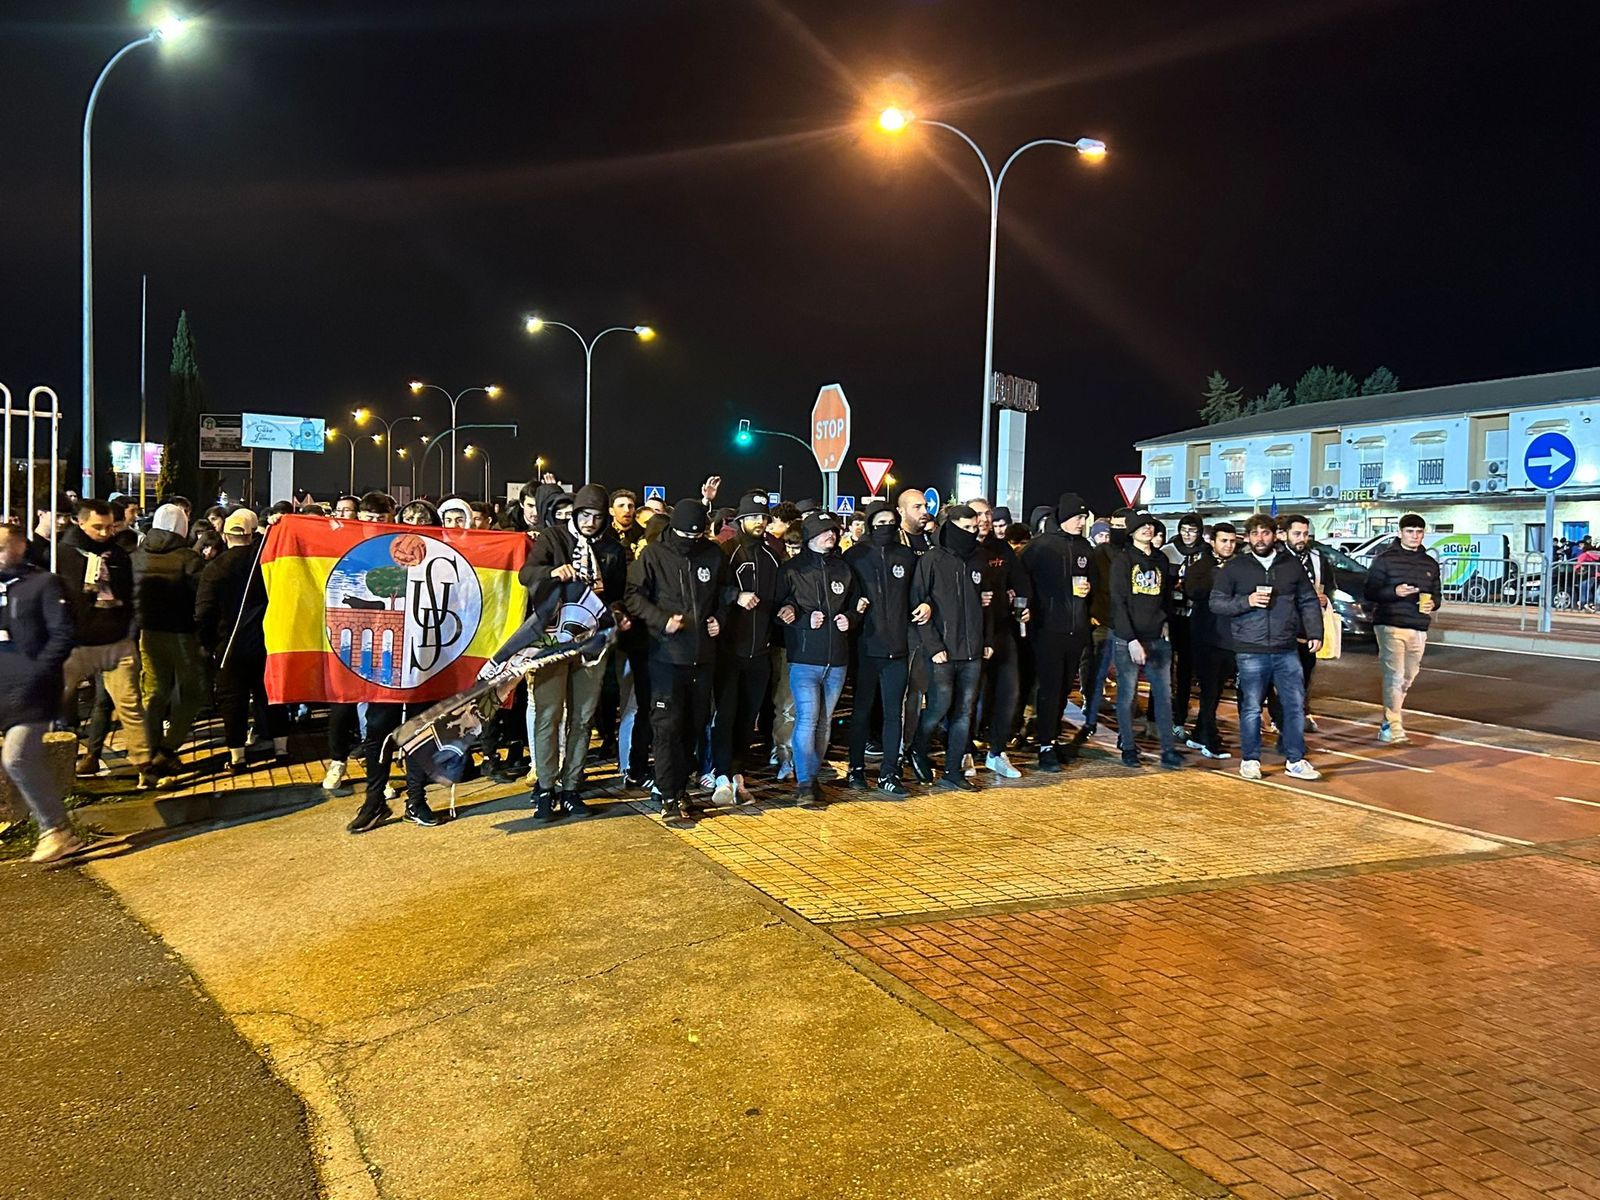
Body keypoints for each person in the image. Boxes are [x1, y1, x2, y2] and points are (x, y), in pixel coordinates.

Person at [519, 483, 628, 819]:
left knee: (582, 717)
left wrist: (619, 612)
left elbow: (621, 593)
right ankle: (545, 787)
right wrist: (553, 571)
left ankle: (571, 786)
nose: (590, 521)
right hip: (553, 638)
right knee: (549, 715)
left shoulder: (612, 548)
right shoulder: (554, 538)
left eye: (597, 516)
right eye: (585, 514)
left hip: (592, 640)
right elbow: (526, 574)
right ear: (576, 513)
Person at [624, 499, 731, 825]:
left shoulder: (713, 555)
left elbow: (724, 591)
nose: (690, 539)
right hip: (665, 656)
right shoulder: (654, 555)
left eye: (697, 535)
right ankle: (668, 795)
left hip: (702, 658)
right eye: (685, 533)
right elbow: (632, 595)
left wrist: (719, 618)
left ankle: (678, 786)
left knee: (693, 726)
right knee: (666, 727)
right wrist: (659, 619)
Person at [1210, 514, 1323, 781]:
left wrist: (1315, 632)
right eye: (1255, 534)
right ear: (1247, 538)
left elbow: (1308, 600)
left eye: (1265, 533)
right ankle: (1250, 759)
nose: (1260, 538)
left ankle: (1295, 759)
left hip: (1286, 648)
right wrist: (1247, 601)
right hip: (1251, 648)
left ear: (1275, 535)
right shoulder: (1236, 567)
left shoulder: (1291, 565)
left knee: (1294, 705)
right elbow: (1216, 603)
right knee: (1251, 707)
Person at [56, 499, 153, 783]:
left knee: (129, 702)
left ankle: (144, 764)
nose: (104, 532)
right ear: (80, 522)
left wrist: (129, 628)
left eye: (109, 527)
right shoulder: (64, 554)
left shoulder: (118, 555)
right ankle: (50, 761)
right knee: (54, 699)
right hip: (78, 642)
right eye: (98, 527)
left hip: (115, 638)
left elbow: (132, 594)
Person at [0, 522, 82, 862]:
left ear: (19, 546)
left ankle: (56, 830)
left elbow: (62, 633)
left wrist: (38, 672)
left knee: (17, 756)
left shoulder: (42, 584)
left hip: (31, 693)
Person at [774, 511, 858, 806]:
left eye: (834, 531)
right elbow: (780, 609)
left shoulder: (844, 569)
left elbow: (856, 604)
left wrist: (850, 617)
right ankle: (805, 783)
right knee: (807, 719)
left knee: (824, 722)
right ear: (810, 535)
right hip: (805, 657)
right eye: (824, 531)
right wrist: (800, 618)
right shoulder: (791, 570)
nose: (831, 536)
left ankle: (812, 775)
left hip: (837, 659)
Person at [907, 505, 991, 792]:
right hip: (943, 649)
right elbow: (918, 604)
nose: (972, 533)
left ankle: (953, 769)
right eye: (966, 528)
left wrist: (987, 640)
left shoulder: (980, 559)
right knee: (939, 707)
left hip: (973, 650)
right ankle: (917, 747)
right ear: (951, 527)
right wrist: (933, 645)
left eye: (974, 528)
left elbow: (987, 604)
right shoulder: (932, 560)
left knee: (965, 712)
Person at [196, 508, 288, 770]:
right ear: (251, 535)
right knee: (271, 695)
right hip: (268, 640)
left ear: (225, 536)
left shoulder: (215, 568)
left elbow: (203, 611)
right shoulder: (267, 564)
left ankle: (238, 757)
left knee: (232, 700)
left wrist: (207, 643)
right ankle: (281, 748)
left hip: (229, 646)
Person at [711, 493, 782, 805]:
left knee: (747, 718)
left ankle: (739, 774)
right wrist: (734, 596)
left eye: (763, 517)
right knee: (725, 715)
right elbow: (710, 590)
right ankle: (721, 774)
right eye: (754, 517)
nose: (760, 522)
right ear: (740, 520)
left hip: (760, 653)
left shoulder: (772, 556)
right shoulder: (726, 552)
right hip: (728, 652)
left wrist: (788, 608)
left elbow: (782, 594)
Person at [1019, 491, 1095, 772]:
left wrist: (1088, 600)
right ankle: (1045, 745)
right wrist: (1029, 608)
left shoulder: (1085, 547)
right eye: (1077, 517)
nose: (1081, 522)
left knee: (1064, 688)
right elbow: (1020, 581)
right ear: (1063, 518)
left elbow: (1093, 583)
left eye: (1083, 518)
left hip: (1076, 629)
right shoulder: (1040, 546)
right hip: (1048, 629)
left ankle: (1051, 737)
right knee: (1049, 688)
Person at [131, 503, 207, 783]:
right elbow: (202, 598)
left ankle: (151, 752)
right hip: (182, 634)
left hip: (147, 634)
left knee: (153, 692)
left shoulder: (137, 556)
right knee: (193, 693)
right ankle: (168, 748)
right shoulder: (189, 558)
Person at [844, 501, 916, 795]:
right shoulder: (855, 556)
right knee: (860, 712)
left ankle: (889, 772)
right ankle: (856, 768)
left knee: (892, 714)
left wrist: (923, 605)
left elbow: (918, 593)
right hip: (865, 647)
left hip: (898, 648)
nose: (885, 526)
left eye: (891, 520)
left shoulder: (907, 556)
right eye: (880, 520)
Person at [1108, 512, 1184, 770]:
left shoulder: (1161, 559)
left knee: (1163, 695)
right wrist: (1130, 639)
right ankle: (1128, 746)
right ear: (1131, 531)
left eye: (1150, 526)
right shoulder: (1123, 560)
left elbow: (1164, 597)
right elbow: (1118, 602)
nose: (1147, 529)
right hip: (1129, 638)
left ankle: (1168, 748)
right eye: (1141, 526)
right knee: (1127, 695)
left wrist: (1165, 624)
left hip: (1157, 636)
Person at [1363, 512, 1441, 745]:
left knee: (1408, 676)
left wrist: (1433, 603)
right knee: (1394, 675)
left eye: (1419, 532)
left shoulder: (1429, 563)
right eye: (1410, 531)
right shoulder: (1385, 559)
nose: (1414, 536)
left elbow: (1437, 593)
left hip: (1418, 624)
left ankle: (1391, 717)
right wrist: (1394, 592)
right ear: (1400, 533)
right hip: (1390, 623)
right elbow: (1369, 591)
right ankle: (1392, 724)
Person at [968, 498, 1028, 779]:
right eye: (978, 513)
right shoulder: (959, 547)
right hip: (970, 633)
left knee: (1009, 690)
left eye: (987, 513)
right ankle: (964, 751)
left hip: (1003, 629)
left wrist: (1023, 603)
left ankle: (997, 751)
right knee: (969, 696)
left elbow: (1020, 581)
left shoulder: (1002, 548)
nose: (984, 518)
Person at [1183, 522, 1237, 760]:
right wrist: (1218, 575)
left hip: (1230, 636)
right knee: (1208, 688)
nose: (1228, 545)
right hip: (1206, 635)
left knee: (1216, 690)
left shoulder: (1238, 565)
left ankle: (1198, 733)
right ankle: (1209, 738)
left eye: (1232, 541)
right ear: (1213, 541)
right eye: (1224, 540)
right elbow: (1192, 591)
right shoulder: (1201, 566)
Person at [1279, 514, 1337, 733]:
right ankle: (1282, 715)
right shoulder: (1277, 557)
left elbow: (1329, 585)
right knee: (1283, 673)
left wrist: (1325, 597)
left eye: (1305, 534)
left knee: (1305, 670)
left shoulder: (1316, 557)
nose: (1302, 538)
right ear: (1284, 534)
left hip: (1308, 625)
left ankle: (1301, 711)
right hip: (1282, 625)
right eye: (1297, 534)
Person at [1162, 512, 1207, 740]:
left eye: (1193, 531)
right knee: (1163, 670)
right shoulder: (1168, 552)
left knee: (1186, 672)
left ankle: (1179, 718)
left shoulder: (1205, 554)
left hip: (1194, 619)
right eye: (1184, 530)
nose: (1188, 535)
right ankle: (1160, 717)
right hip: (1170, 618)